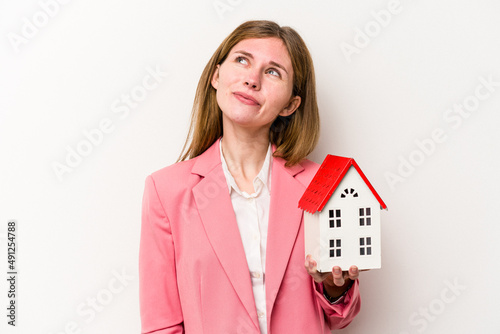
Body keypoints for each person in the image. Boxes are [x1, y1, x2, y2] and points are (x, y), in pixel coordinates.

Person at [139, 20, 361, 334]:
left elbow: (340, 317)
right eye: (242, 60)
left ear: (291, 104)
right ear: (217, 76)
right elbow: (161, 324)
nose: (252, 80)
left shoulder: (321, 186)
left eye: (273, 72)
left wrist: (335, 288)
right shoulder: (166, 191)